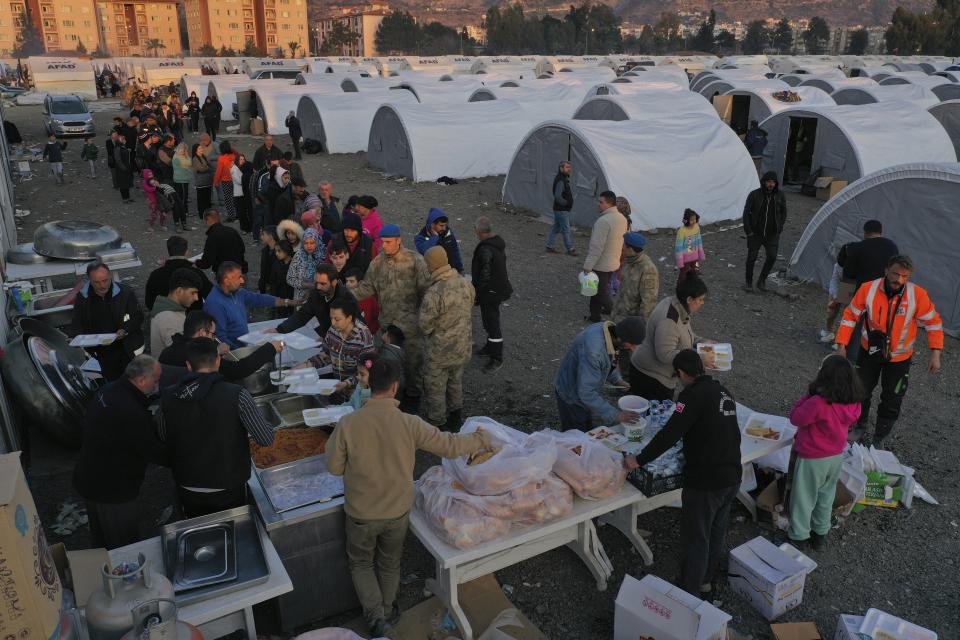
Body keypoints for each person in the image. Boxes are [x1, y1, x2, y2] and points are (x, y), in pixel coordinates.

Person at [326, 358, 492, 638]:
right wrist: (481, 439)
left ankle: (375, 617)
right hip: (396, 512)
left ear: (369, 384)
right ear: (394, 388)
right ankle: (388, 609)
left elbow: (333, 467)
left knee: (361, 562)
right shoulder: (409, 423)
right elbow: (449, 445)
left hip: (361, 513)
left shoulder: (348, 423)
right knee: (390, 561)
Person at [623, 349, 741, 599]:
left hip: (705, 481)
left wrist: (638, 459)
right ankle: (706, 580)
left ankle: (689, 592)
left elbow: (669, 434)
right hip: (731, 476)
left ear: (681, 373)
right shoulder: (723, 392)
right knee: (715, 532)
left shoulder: (691, 396)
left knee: (697, 537)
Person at [159, 338, 275, 518]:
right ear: (218, 361)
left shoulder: (167, 396)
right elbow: (266, 438)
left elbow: (164, 436)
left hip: (187, 485)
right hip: (228, 486)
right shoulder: (237, 395)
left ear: (189, 366)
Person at [836, 255, 943, 445]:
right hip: (869, 352)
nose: (899, 280)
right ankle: (858, 426)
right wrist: (842, 345)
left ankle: (880, 437)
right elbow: (850, 315)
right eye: (895, 274)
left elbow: (933, 322)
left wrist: (936, 353)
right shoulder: (868, 288)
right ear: (886, 270)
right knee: (860, 391)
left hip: (899, 359)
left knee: (893, 398)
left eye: (905, 276)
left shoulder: (917, 295)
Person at [73, 356, 167, 549]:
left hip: (88, 476)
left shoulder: (108, 390)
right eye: (156, 381)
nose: (158, 386)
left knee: (101, 539)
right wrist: (187, 456)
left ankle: (103, 565)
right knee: (123, 545)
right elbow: (153, 451)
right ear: (141, 380)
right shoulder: (130, 412)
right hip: (113, 489)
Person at [350, 225, 431, 407]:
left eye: (388, 242)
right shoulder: (377, 263)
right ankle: (390, 402)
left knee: (413, 363)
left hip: (409, 325)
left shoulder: (415, 261)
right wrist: (346, 295)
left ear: (398, 240)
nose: (384, 246)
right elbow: (367, 287)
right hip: (387, 325)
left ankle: (413, 398)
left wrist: (426, 318)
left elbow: (428, 291)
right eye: (382, 242)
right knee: (388, 365)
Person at [787, 355, 863, 551]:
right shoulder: (853, 402)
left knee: (803, 497)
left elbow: (796, 418)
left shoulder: (819, 403)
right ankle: (820, 533)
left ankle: (799, 536)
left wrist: (808, 395)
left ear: (824, 376)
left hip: (813, 458)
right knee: (825, 496)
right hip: (836, 456)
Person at [630, 276, 716, 401]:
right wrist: (698, 358)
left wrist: (702, 342)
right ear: (689, 299)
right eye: (701, 299)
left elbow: (685, 334)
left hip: (658, 375)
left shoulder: (677, 305)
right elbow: (665, 354)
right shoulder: (669, 321)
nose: (702, 303)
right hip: (651, 377)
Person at [554, 316, 647, 430]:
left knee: (587, 430)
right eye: (631, 344)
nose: (633, 349)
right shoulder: (594, 351)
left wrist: (618, 380)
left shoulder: (610, 332)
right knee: (575, 437)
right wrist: (616, 415)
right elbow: (586, 392)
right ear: (621, 338)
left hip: (584, 389)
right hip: (571, 395)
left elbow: (608, 362)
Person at [419, 246, 475, 430]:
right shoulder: (465, 283)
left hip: (439, 352)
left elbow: (425, 325)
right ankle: (456, 416)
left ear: (431, 266)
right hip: (462, 347)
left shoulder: (434, 292)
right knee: (455, 381)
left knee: (435, 387)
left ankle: (438, 424)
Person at [70, 261, 145, 381]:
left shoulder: (125, 292)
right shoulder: (82, 297)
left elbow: (138, 317)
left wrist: (125, 329)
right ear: (89, 280)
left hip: (126, 348)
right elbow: (77, 322)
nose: (102, 286)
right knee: (113, 381)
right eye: (97, 282)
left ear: (110, 276)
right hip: (102, 350)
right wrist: (76, 338)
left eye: (105, 280)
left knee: (134, 380)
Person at [159, 311, 282, 381]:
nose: (214, 339)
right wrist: (270, 348)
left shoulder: (167, 352)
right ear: (202, 333)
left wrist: (217, 350)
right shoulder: (201, 356)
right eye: (213, 335)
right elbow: (238, 370)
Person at [204, 262, 295, 348]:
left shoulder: (236, 291)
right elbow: (220, 339)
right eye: (239, 277)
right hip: (233, 353)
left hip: (244, 344)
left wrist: (287, 302)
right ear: (226, 281)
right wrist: (241, 354)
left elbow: (258, 299)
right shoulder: (215, 304)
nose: (242, 280)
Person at [308, 296, 375, 402]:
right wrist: (305, 365)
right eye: (331, 318)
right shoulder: (333, 331)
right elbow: (326, 355)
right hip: (337, 390)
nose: (333, 323)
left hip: (357, 395)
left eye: (337, 319)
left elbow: (368, 369)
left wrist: (347, 383)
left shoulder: (363, 336)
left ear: (349, 318)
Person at [471, 216, 513, 373]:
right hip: (498, 289)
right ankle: (490, 347)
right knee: (489, 320)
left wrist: (477, 292)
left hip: (491, 292)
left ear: (479, 231)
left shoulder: (485, 249)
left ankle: (496, 357)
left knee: (492, 322)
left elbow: (485, 275)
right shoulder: (496, 243)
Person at [270, 263, 353, 338]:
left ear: (334, 282)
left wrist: (329, 338)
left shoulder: (346, 299)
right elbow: (303, 315)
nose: (318, 287)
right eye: (317, 282)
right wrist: (280, 329)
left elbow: (352, 326)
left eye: (323, 284)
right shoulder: (316, 294)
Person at [583, 191, 629, 322]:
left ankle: (617, 313)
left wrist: (588, 265)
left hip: (601, 263)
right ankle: (594, 315)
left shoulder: (603, 221)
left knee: (599, 292)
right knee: (595, 290)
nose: (598, 204)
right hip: (613, 261)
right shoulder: (622, 218)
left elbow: (596, 247)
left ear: (609, 203)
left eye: (601, 202)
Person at [742, 171, 787, 292]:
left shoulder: (780, 195)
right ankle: (748, 282)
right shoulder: (754, 195)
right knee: (752, 257)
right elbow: (746, 214)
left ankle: (762, 280)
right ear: (764, 182)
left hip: (772, 234)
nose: (771, 184)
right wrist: (749, 231)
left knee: (772, 257)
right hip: (755, 233)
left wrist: (780, 227)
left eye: (773, 182)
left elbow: (784, 212)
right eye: (768, 181)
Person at [145, 236, 212, 311]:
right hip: (192, 319)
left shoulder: (155, 275)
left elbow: (149, 303)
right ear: (186, 252)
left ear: (169, 252)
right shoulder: (196, 274)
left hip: (163, 315)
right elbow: (211, 297)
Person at [149, 269, 201, 355]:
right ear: (179, 291)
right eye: (193, 293)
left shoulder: (173, 310)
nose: (196, 298)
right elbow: (181, 354)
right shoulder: (168, 319)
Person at [611, 232, 659, 323]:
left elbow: (649, 301)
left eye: (624, 246)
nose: (622, 248)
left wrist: (641, 325)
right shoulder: (630, 262)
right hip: (619, 316)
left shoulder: (648, 269)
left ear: (631, 249)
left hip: (630, 322)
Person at [839, 219, 899, 290]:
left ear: (865, 232)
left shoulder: (857, 247)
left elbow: (849, 273)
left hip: (863, 290)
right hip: (885, 290)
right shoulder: (892, 246)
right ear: (880, 232)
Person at [196, 208, 248, 275]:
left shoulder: (213, 236)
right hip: (240, 271)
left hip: (225, 276)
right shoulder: (232, 231)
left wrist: (197, 262)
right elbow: (242, 249)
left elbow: (206, 263)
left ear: (208, 219)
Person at [414, 208, 464, 273]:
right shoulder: (420, 237)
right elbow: (423, 250)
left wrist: (460, 269)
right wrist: (435, 237)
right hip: (430, 274)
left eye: (445, 225)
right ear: (432, 225)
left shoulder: (447, 233)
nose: (444, 228)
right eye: (441, 225)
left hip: (448, 272)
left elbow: (454, 251)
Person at [328, 212, 375, 276]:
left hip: (361, 282)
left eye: (352, 230)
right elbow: (327, 264)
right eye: (346, 229)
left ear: (358, 231)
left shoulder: (369, 244)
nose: (348, 234)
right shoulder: (334, 241)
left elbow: (374, 269)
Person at [287, 227, 324, 303]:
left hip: (319, 297)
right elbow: (290, 278)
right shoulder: (298, 256)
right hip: (300, 298)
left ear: (317, 242)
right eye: (306, 243)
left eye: (312, 243)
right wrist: (306, 285)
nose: (309, 246)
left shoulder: (322, 256)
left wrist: (314, 288)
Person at [546, 160, 575, 255]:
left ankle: (550, 246)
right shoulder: (560, 180)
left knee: (556, 228)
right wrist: (566, 203)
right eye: (567, 167)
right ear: (561, 168)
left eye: (569, 167)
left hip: (560, 209)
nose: (569, 169)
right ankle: (570, 249)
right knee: (566, 229)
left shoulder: (563, 178)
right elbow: (558, 196)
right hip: (561, 210)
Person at [345, 267, 379, 334]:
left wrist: (369, 332)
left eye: (351, 281)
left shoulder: (370, 299)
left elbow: (377, 319)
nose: (347, 284)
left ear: (360, 283)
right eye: (346, 281)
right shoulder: (342, 298)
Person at [675, 208, 705, 283]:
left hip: (695, 257)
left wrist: (701, 254)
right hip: (685, 259)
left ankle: (694, 285)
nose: (693, 221)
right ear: (686, 220)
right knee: (683, 274)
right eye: (691, 220)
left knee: (696, 271)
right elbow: (678, 248)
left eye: (695, 219)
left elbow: (699, 241)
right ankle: (680, 287)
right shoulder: (682, 231)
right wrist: (680, 262)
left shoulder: (697, 227)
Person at [213, 141, 237, 221]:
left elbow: (219, 171)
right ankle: (236, 214)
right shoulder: (234, 156)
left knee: (228, 199)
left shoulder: (222, 158)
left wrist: (216, 182)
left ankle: (231, 216)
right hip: (234, 180)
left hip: (226, 181)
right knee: (235, 197)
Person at [231, 153, 252, 232]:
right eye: (240, 159)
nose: (242, 161)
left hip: (244, 193)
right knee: (241, 212)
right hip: (238, 194)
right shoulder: (234, 169)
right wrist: (247, 178)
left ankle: (248, 227)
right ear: (237, 160)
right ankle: (244, 228)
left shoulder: (243, 169)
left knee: (245, 212)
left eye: (243, 159)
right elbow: (239, 181)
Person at [192, 143, 213, 218]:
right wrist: (207, 167)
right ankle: (202, 215)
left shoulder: (204, 157)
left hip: (208, 182)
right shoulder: (195, 159)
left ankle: (208, 214)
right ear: (196, 150)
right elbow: (201, 169)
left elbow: (210, 166)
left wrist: (206, 167)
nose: (201, 150)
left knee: (208, 200)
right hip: (201, 183)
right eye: (199, 148)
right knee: (201, 200)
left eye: (202, 148)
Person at [172, 142, 192, 217]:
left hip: (181, 179)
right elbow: (189, 162)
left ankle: (182, 211)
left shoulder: (176, 155)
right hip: (181, 179)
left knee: (181, 197)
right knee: (183, 197)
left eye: (184, 150)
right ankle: (184, 212)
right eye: (183, 150)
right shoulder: (177, 158)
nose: (182, 151)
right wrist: (186, 155)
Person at [113, 134, 135, 203]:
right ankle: (125, 198)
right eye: (124, 139)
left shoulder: (122, 147)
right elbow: (118, 160)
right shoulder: (117, 148)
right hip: (121, 170)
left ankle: (127, 197)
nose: (125, 140)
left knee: (126, 183)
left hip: (125, 168)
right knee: (123, 184)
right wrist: (124, 168)